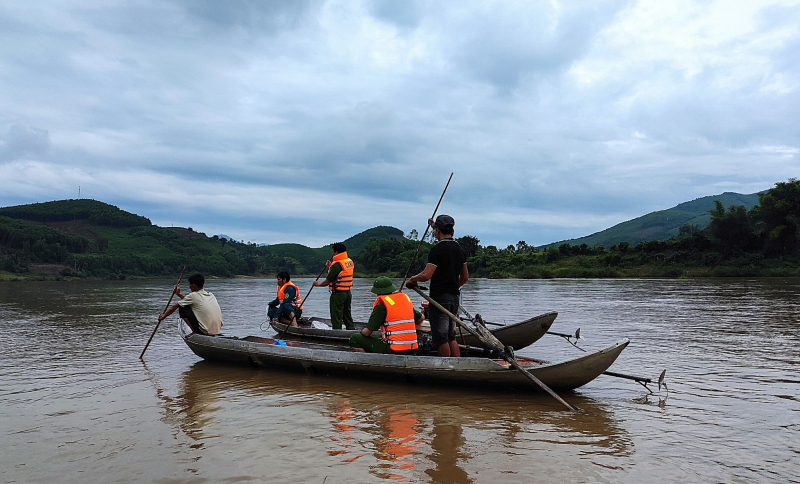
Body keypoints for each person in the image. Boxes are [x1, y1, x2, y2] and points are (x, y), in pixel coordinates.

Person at [405, 214, 469, 357]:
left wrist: (412, 279)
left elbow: (427, 275)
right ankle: (457, 365)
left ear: (437, 232)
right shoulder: (460, 250)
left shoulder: (437, 250)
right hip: (454, 299)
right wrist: (452, 286)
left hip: (440, 299)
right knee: (451, 336)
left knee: (441, 338)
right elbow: (465, 277)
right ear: (452, 231)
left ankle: (445, 368)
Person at [349, 276, 423, 353]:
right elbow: (421, 318)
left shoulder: (381, 306)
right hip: (412, 348)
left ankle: (366, 360)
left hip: (393, 349)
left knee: (355, 338)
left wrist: (361, 332)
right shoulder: (404, 300)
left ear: (377, 292)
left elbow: (367, 333)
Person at [158, 273, 223, 336]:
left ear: (194, 286)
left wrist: (164, 316)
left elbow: (175, 307)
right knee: (186, 304)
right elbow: (190, 301)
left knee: (182, 307)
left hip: (204, 331)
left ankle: (194, 332)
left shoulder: (193, 295)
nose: (189, 286)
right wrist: (178, 294)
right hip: (216, 330)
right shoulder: (210, 294)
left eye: (189, 285)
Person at [311, 242, 355, 330]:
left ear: (336, 252)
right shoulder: (349, 262)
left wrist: (317, 284)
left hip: (338, 294)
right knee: (347, 314)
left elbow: (327, 281)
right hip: (347, 293)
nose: (332, 253)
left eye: (332, 252)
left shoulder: (337, 265)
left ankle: (337, 332)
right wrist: (330, 267)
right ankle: (351, 329)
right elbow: (339, 275)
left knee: (336, 315)